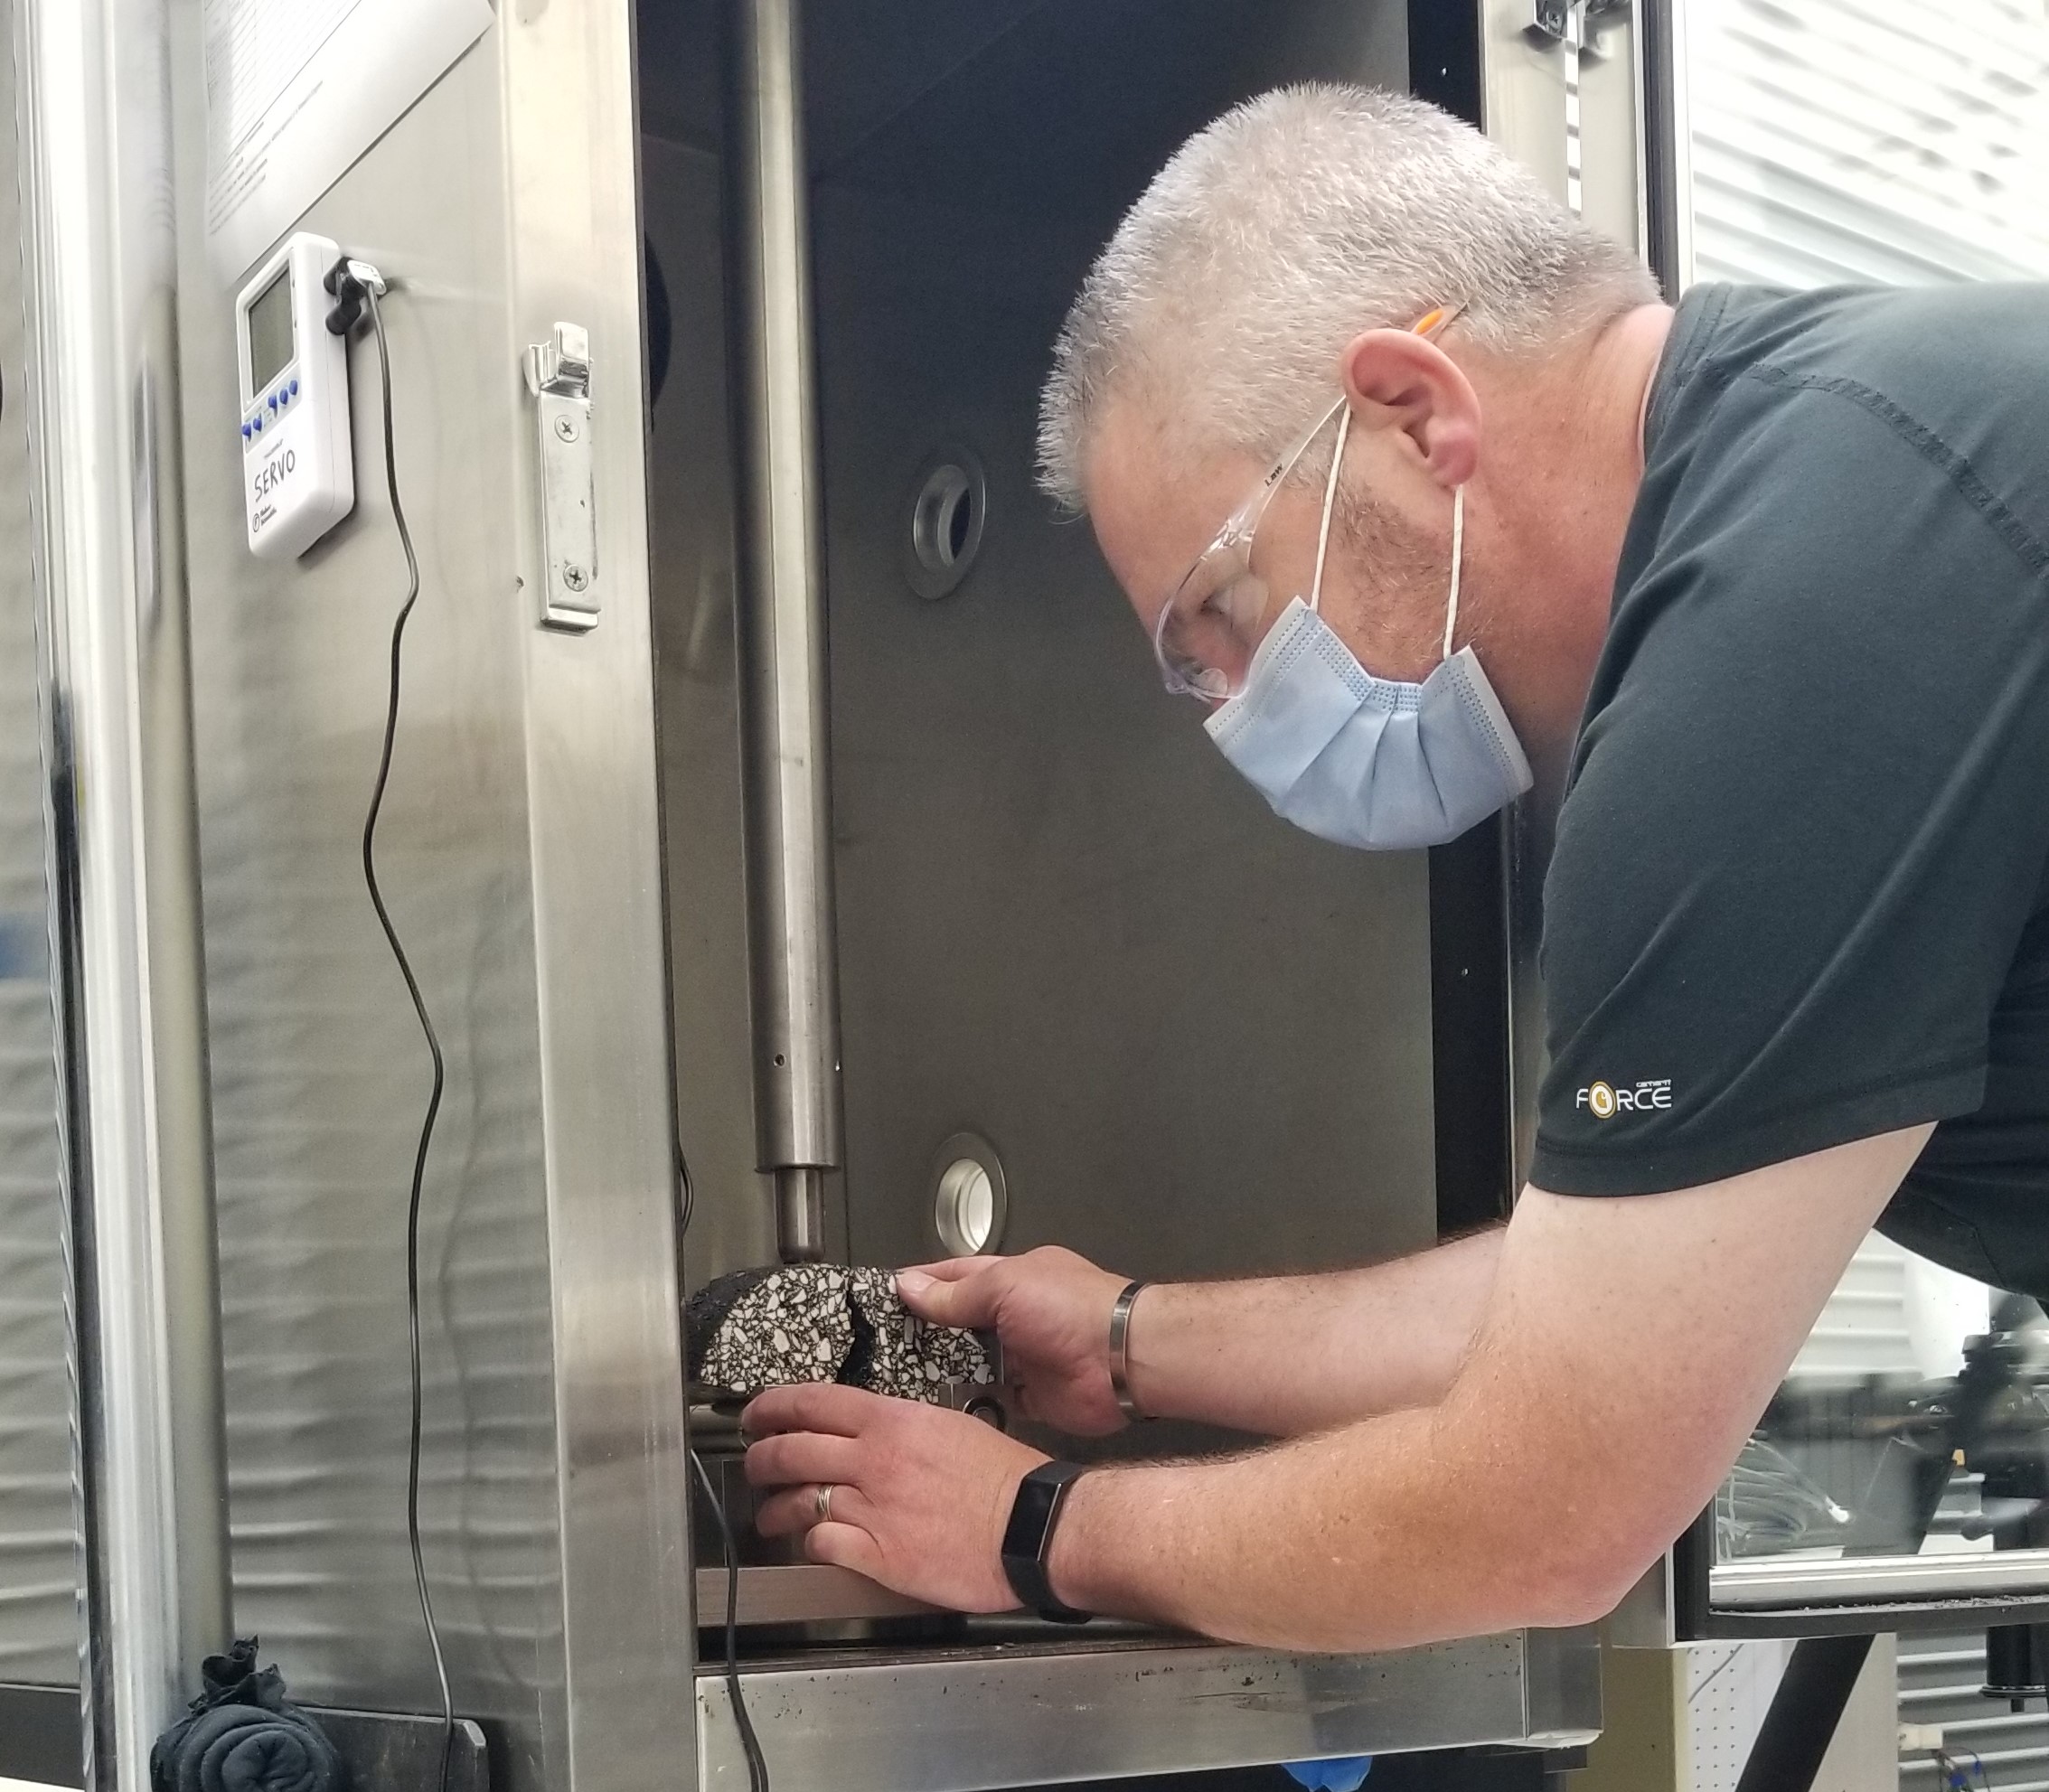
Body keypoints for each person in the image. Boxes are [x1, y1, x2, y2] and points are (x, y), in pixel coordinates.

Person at [742, 84, 2049, 1651]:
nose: (1231, 710)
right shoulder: (1838, 473)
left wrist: (1031, 1525)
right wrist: (1130, 1340)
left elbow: (1550, 1509)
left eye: (1218, 619)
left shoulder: (1778, 647)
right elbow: (1615, 1298)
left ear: (1416, 411)